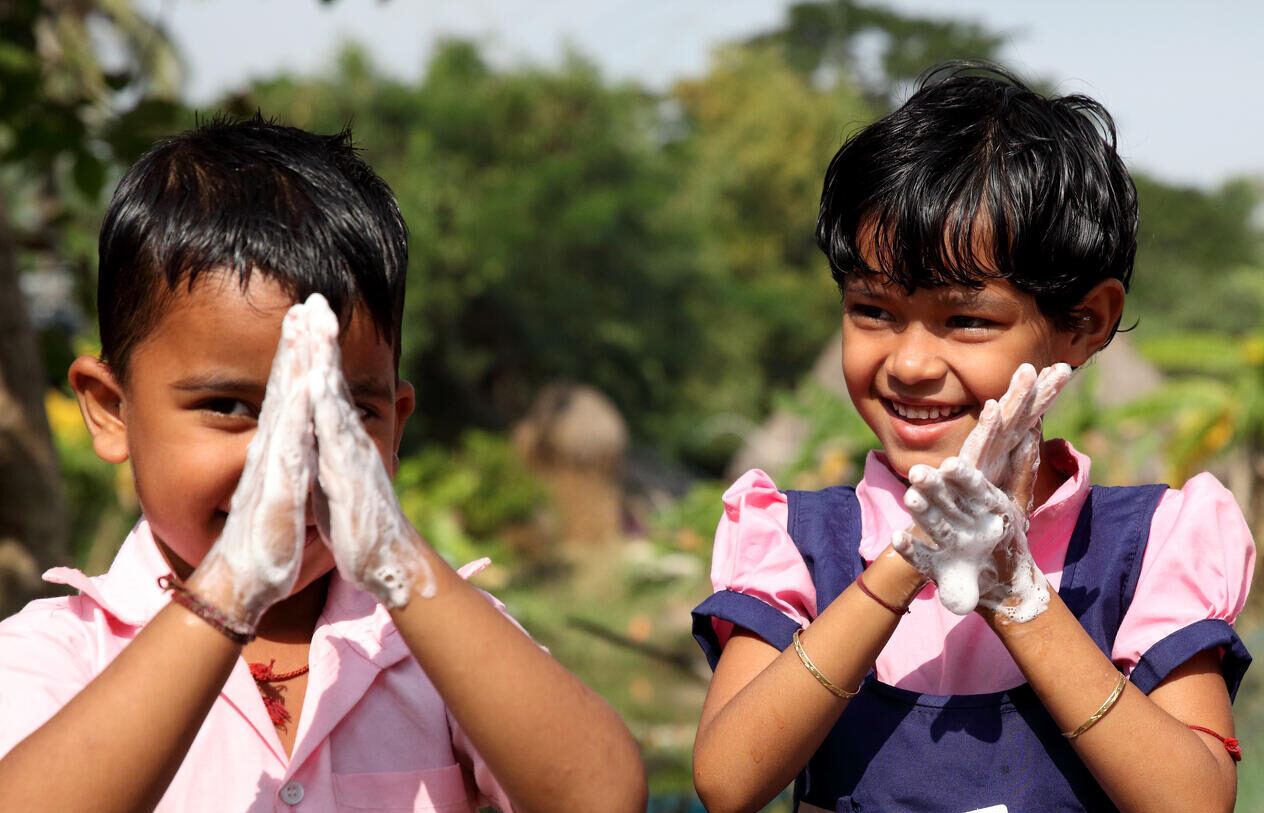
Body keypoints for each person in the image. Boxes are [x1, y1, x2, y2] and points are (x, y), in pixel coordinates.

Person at [0, 116, 647, 813]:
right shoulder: (59, 653)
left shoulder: (431, 640)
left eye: (343, 414)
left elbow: (603, 797)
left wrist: (400, 562)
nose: (287, 459)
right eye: (229, 405)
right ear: (110, 409)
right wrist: (226, 591)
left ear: (394, 427)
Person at [691, 65, 1253, 813]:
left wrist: (1017, 593)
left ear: (1083, 323)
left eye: (966, 319)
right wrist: (905, 563)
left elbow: (1195, 802)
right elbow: (728, 781)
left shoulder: (1148, 546)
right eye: (873, 309)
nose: (912, 363)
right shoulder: (799, 543)